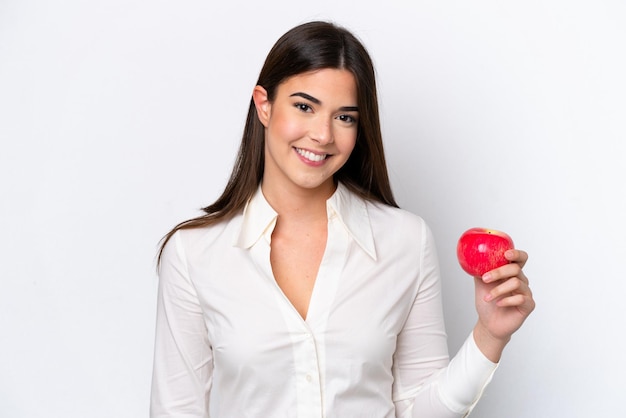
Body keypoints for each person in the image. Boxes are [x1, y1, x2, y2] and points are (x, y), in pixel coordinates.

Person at [150, 21, 535, 418]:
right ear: (263, 105)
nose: (323, 135)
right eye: (304, 107)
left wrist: (490, 335)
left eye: (345, 117)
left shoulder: (405, 241)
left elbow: (420, 408)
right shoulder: (193, 254)